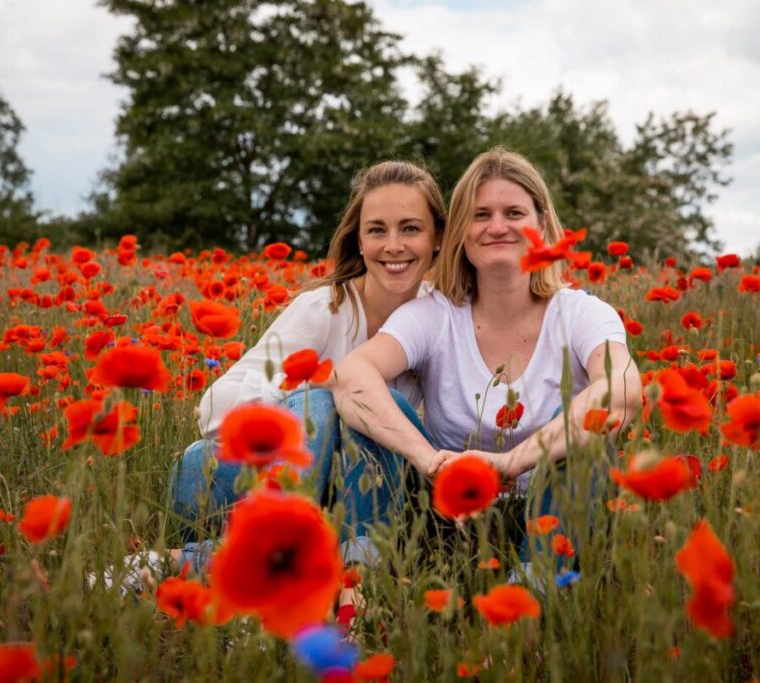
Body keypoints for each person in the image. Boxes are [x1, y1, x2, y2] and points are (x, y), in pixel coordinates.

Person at [329, 147, 643, 572]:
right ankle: (360, 577)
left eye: (513, 213)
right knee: (371, 410)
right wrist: (428, 459)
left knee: (583, 426)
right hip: (445, 517)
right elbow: (352, 375)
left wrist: (509, 463)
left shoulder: (581, 314)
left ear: (542, 226)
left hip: (551, 512)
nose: (497, 227)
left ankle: (537, 589)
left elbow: (621, 391)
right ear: (460, 231)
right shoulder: (435, 314)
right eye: (480, 215)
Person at [165, 160, 447, 576]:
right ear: (358, 239)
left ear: (437, 236)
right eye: (377, 230)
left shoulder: (439, 319)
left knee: (367, 405)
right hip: (219, 482)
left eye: (410, 228)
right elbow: (210, 410)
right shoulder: (324, 308)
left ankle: (320, 570)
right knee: (335, 398)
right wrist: (326, 384)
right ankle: (264, 556)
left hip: (339, 502)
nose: (393, 245)